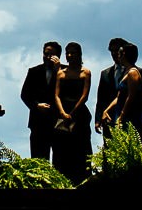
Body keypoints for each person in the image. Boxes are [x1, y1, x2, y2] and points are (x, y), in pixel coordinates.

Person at [50, 41, 93, 184]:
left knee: (81, 148)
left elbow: (85, 96)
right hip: (63, 112)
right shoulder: (61, 73)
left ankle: (82, 180)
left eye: (73, 52)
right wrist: (62, 112)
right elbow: (56, 95)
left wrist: (73, 112)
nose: (70, 55)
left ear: (79, 54)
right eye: (68, 53)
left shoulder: (85, 72)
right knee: (61, 149)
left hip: (79, 112)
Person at [20, 41, 63, 160]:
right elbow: (25, 94)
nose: (48, 57)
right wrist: (36, 106)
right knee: (39, 159)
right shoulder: (34, 71)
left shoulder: (64, 72)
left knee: (60, 160)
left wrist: (57, 70)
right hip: (38, 121)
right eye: (46, 54)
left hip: (58, 122)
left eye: (51, 55)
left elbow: (67, 92)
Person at [101, 41, 142, 145]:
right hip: (122, 112)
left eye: (120, 53)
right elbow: (120, 95)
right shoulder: (127, 72)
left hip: (130, 115)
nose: (117, 55)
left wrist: (122, 115)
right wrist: (107, 110)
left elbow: (131, 96)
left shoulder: (133, 72)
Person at [93, 37, 127, 140]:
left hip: (126, 115)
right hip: (108, 117)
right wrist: (98, 120)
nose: (114, 53)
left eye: (116, 50)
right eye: (112, 51)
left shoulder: (132, 71)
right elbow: (101, 98)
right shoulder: (105, 74)